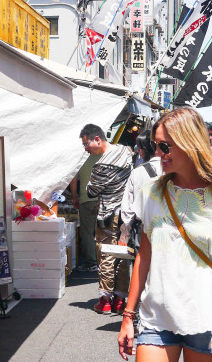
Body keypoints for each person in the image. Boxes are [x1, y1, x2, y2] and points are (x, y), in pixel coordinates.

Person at [117, 107, 212, 362]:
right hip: (156, 314)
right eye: (156, 145)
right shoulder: (151, 194)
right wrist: (128, 316)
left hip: (207, 314)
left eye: (165, 147)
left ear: (190, 144)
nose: (159, 153)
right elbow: (144, 257)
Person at [80, 124, 133, 315]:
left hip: (108, 213)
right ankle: (120, 299)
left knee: (106, 254)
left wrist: (90, 187)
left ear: (97, 139)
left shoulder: (102, 164)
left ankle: (105, 300)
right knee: (123, 255)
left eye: (86, 144)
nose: (86, 148)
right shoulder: (125, 152)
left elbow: (92, 190)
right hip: (126, 213)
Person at [120, 130, 162, 248]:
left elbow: (128, 207)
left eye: (139, 147)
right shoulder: (171, 169)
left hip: (143, 229)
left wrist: (125, 233)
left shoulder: (137, 172)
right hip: (168, 228)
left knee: (143, 261)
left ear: (143, 149)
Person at [70, 154, 101, 271]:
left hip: (87, 200)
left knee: (87, 232)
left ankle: (92, 262)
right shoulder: (106, 156)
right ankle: (105, 261)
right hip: (103, 200)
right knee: (103, 232)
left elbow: (73, 179)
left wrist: (74, 196)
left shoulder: (82, 158)